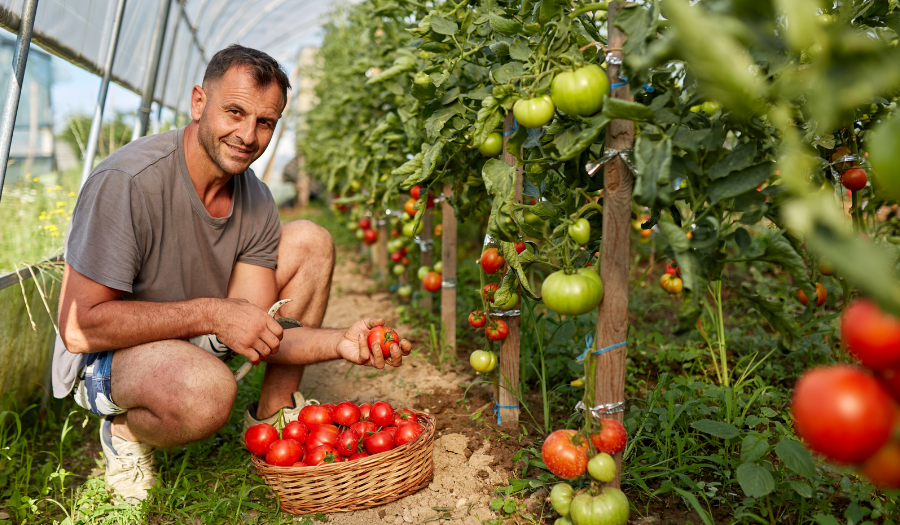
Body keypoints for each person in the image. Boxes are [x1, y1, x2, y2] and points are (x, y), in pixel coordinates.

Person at [50, 45, 412, 503]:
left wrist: (340, 342)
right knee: (207, 393)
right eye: (235, 112)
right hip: (106, 359)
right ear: (199, 102)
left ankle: (274, 419)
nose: (247, 135)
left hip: (190, 338)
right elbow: (80, 329)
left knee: (310, 239)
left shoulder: (255, 198)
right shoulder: (129, 181)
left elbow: (261, 325)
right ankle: (124, 432)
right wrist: (214, 313)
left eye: (265, 122)